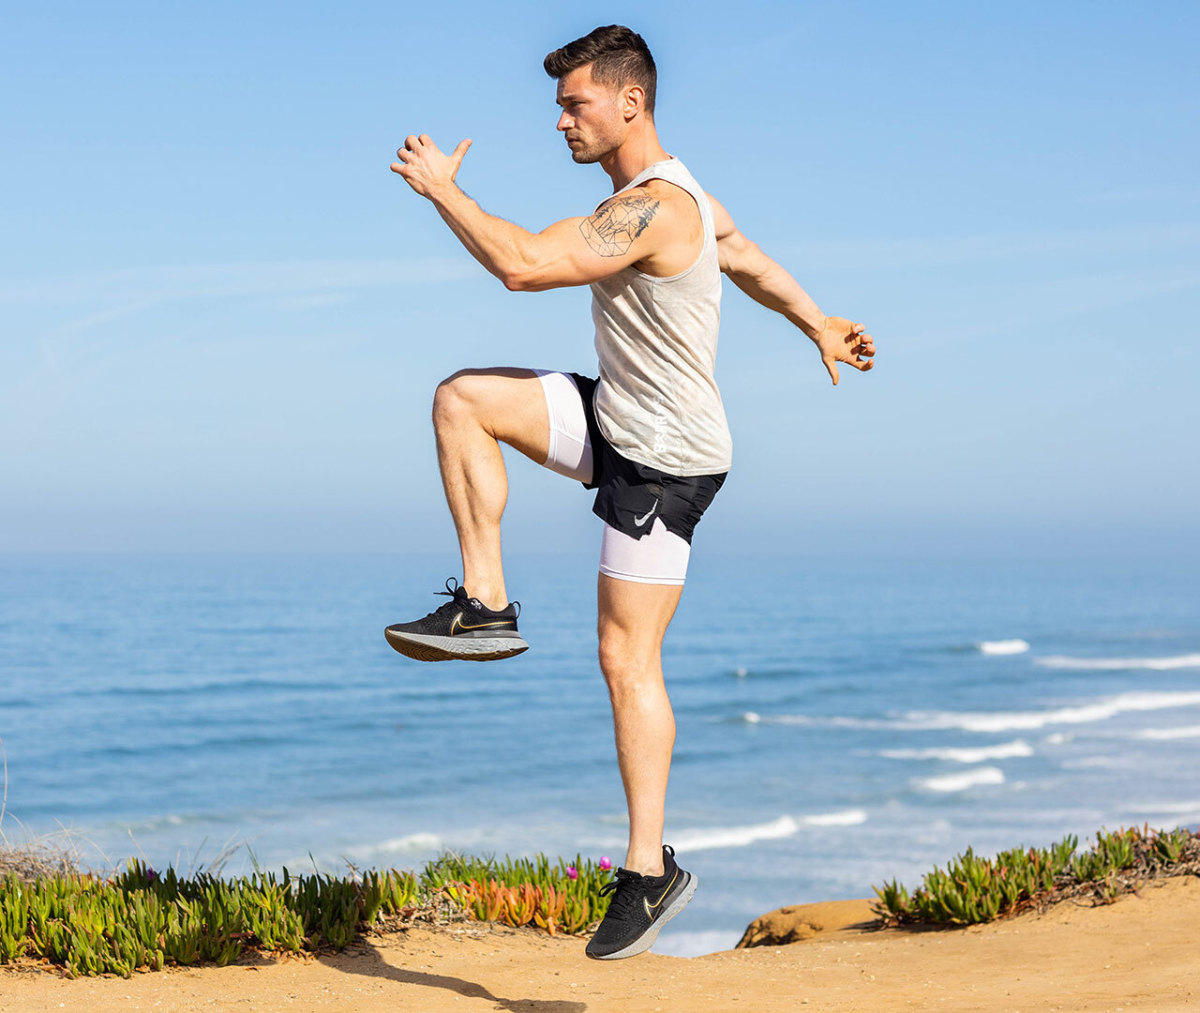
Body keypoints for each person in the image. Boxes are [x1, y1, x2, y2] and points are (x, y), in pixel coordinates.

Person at [386, 24, 876, 960]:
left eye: (575, 104)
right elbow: (751, 259)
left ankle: (649, 868)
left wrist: (445, 190)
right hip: (617, 416)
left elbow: (524, 265)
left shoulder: (654, 209)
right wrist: (818, 321)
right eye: (560, 105)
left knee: (625, 657)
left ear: (630, 102)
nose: (561, 121)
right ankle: (485, 602)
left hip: (666, 461)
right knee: (462, 401)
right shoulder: (685, 197)